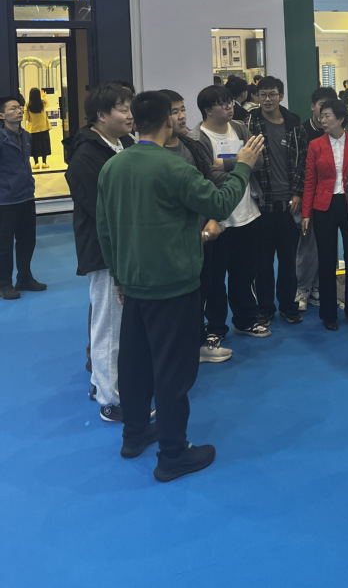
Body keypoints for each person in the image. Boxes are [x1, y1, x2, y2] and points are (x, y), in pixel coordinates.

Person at [96, 91, 264, 482]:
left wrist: (119, 276)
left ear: (135, 120)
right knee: (174, 371)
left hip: (134, 284)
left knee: (135, 364)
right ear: (168, 121)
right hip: (174, 285)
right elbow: (220, 204)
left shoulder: (113, 167)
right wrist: (243, 166)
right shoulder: (175, 168)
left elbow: (105, 230)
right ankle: (173, 454)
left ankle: (134, 434)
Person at [64, 83, 135, 422]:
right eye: (123, 109)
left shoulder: (124, 144)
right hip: (104, 250)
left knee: (119, 324)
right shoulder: (86, 156)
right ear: (101, 115)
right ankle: (110, 400)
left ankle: (101, 384)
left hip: (127, 246)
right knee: (109, 325)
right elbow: (102, 210)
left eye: (130, 107)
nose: (130, 115)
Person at [187, 84, 269, 360]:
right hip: (217, 220)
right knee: (213, 279)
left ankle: (245, 320)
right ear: (207, 110)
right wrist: (241, 164)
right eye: (222, 103)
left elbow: (258, 161)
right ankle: (215, 328)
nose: (229, 107)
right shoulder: (197, 139)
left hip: (247, 214)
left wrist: (228, 164)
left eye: (230, 102)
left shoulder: (240, 128)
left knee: (244, 273)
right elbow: (206, 177)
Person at [301, 98, 348, 330]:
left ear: (340, 118)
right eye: (321, 116)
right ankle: (328, 314)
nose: (322, 120)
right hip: (324, 206)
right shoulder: (315, 145)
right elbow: (310, 180)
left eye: (327, 115)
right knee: (327, 259)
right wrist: (306, 213)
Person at [247, 76, 308, 326]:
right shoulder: (249, 122)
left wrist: (297, 193)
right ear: (257, 97)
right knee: (262, 261)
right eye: (263, 94)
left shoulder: (293, 123)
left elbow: (302, 161)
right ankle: (265, 307)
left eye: (272, 94)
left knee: (288, 260)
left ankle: (287, 305)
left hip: (288, 204)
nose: (267, 99)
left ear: (281, 96)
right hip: (261, 204)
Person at [295, 87, 337, 310]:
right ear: (313, 106)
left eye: (330, 106)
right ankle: (302, 288)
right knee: (307, 247)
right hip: (308, 198)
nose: (325, 111)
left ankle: (320, 286)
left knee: (328, 246)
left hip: (331, 200)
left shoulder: (337, 133)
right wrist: (300, 197)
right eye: (321, 105)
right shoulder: (301, 131)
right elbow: (299, 168)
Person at [0, 96, 45, 299]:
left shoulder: (26, 136)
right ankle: (4, 284)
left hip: (26, 196)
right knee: (4, 245)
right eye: (12, 108)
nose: (19, 111)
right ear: (2, 115)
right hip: (5, 200)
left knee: (27, 240)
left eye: (19, 107)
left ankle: (24, 278)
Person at [24, 87, 52, 170]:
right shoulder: (42, 103)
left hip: (33, 129)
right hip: (43, 128)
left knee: (34, 147)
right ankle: (44, 162)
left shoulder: (27, 105)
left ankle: (36, 163)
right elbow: (47, 105)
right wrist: (43, 96)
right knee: (44, 145)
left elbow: (26, 118)